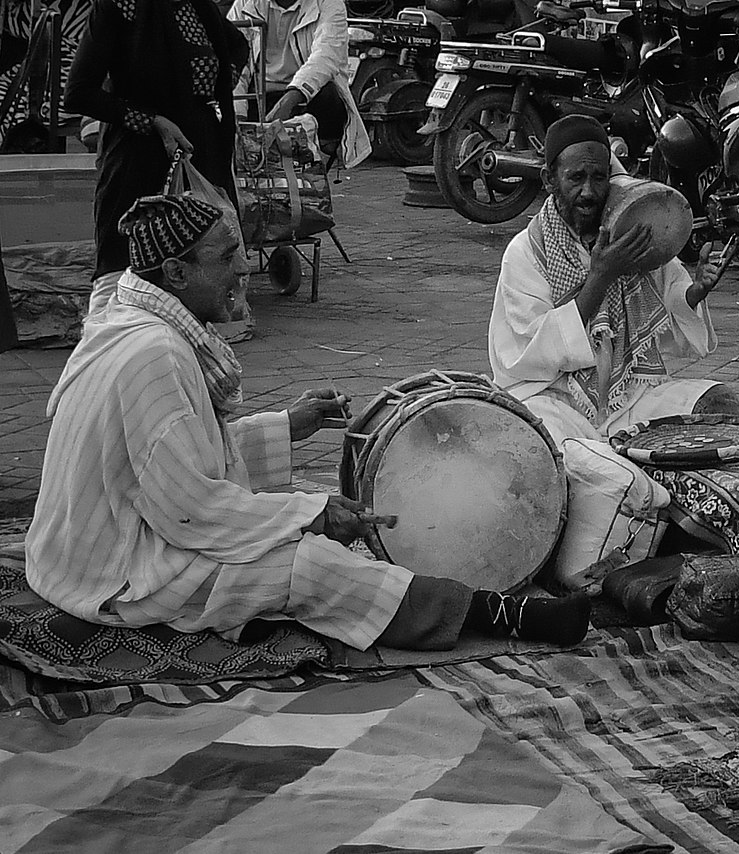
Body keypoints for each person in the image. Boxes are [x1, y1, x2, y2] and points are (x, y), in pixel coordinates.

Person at [25, 194, 589, 652]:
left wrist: (286, 426)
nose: (243, 267)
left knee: (295, 522)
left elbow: (179, 459)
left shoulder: (136, 324)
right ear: (176, 271)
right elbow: (189, 509)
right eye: (225, 257)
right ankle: (498, 615)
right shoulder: (152, 353)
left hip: (91, 542)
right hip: (114, 570)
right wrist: (312, 515)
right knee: (306, 564)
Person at [488, 114, 739, 449]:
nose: (589, 192)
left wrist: (694, 293)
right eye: (576, 178)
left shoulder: (628, 230)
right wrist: (601, 276)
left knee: (717, 404)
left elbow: (670, 311)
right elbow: (536, 352)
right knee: (548, 445)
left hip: (629, 399)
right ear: (549, 179)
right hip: (555, 400)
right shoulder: (525, 253)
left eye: (599, 177)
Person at [65, 0, 248, 280]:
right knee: (127, 271)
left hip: (198, 153)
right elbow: (79, 92)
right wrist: (154, 121)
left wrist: (216, 85)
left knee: (203, 266)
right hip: (136, 160)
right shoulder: (117, 8)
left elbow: (237, 46)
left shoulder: (197, 7)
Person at [229, 0, 371, 167]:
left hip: (307, 97)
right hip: (259, 95)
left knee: (327, 93)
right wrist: (237, 115)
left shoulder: (328, 4)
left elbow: (325, 57)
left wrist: (286, 103)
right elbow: (232, 58)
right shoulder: (247, 3)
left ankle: (317, 155)